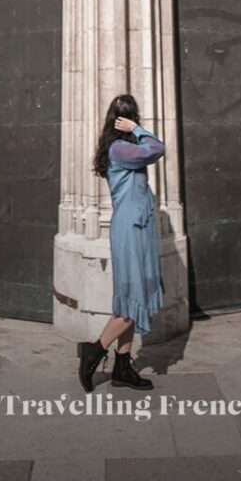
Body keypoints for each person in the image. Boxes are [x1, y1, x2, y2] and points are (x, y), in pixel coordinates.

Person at [77, 94, 165, 392]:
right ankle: (94, 349)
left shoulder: (119, 148)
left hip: (134, 226)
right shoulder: (122, 149)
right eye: (130, 118)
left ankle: (122, 368)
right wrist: (138, 129)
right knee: (131, 302)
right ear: (125, 120)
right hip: (131, 229)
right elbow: (157, 148)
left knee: (131, 297)